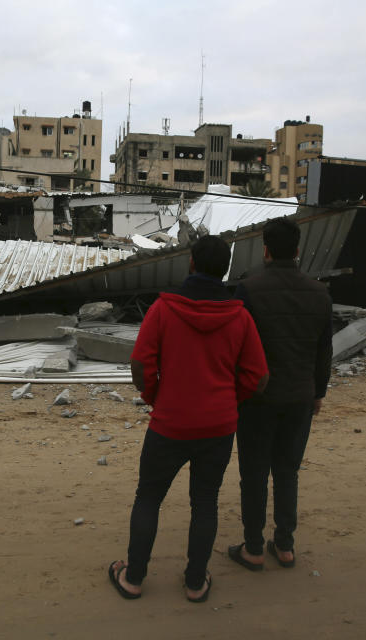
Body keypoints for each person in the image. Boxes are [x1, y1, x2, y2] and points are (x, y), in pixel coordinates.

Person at [108, 235, 268, 603]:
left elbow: (140, 364)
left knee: (148, 497)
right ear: (224, 268)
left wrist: (154, 397)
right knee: (205, 501)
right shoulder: (240, 316)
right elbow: (258, 377)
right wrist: (230, 400)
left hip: (170, 423)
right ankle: (196, 583)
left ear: (191, 264)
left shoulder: (164, 309)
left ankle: (133, 578)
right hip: (218, 427)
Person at [227, 217, 332, 572]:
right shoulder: (320, 293)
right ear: (298, 250)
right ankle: (284, 545)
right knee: (288, 471)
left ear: (266, 250)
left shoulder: (249, 290)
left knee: (254, 474)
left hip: (257, 399)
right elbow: (324, 350)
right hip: (300, 396)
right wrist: (319, 392)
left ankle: (254, 548)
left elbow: (237, 348)